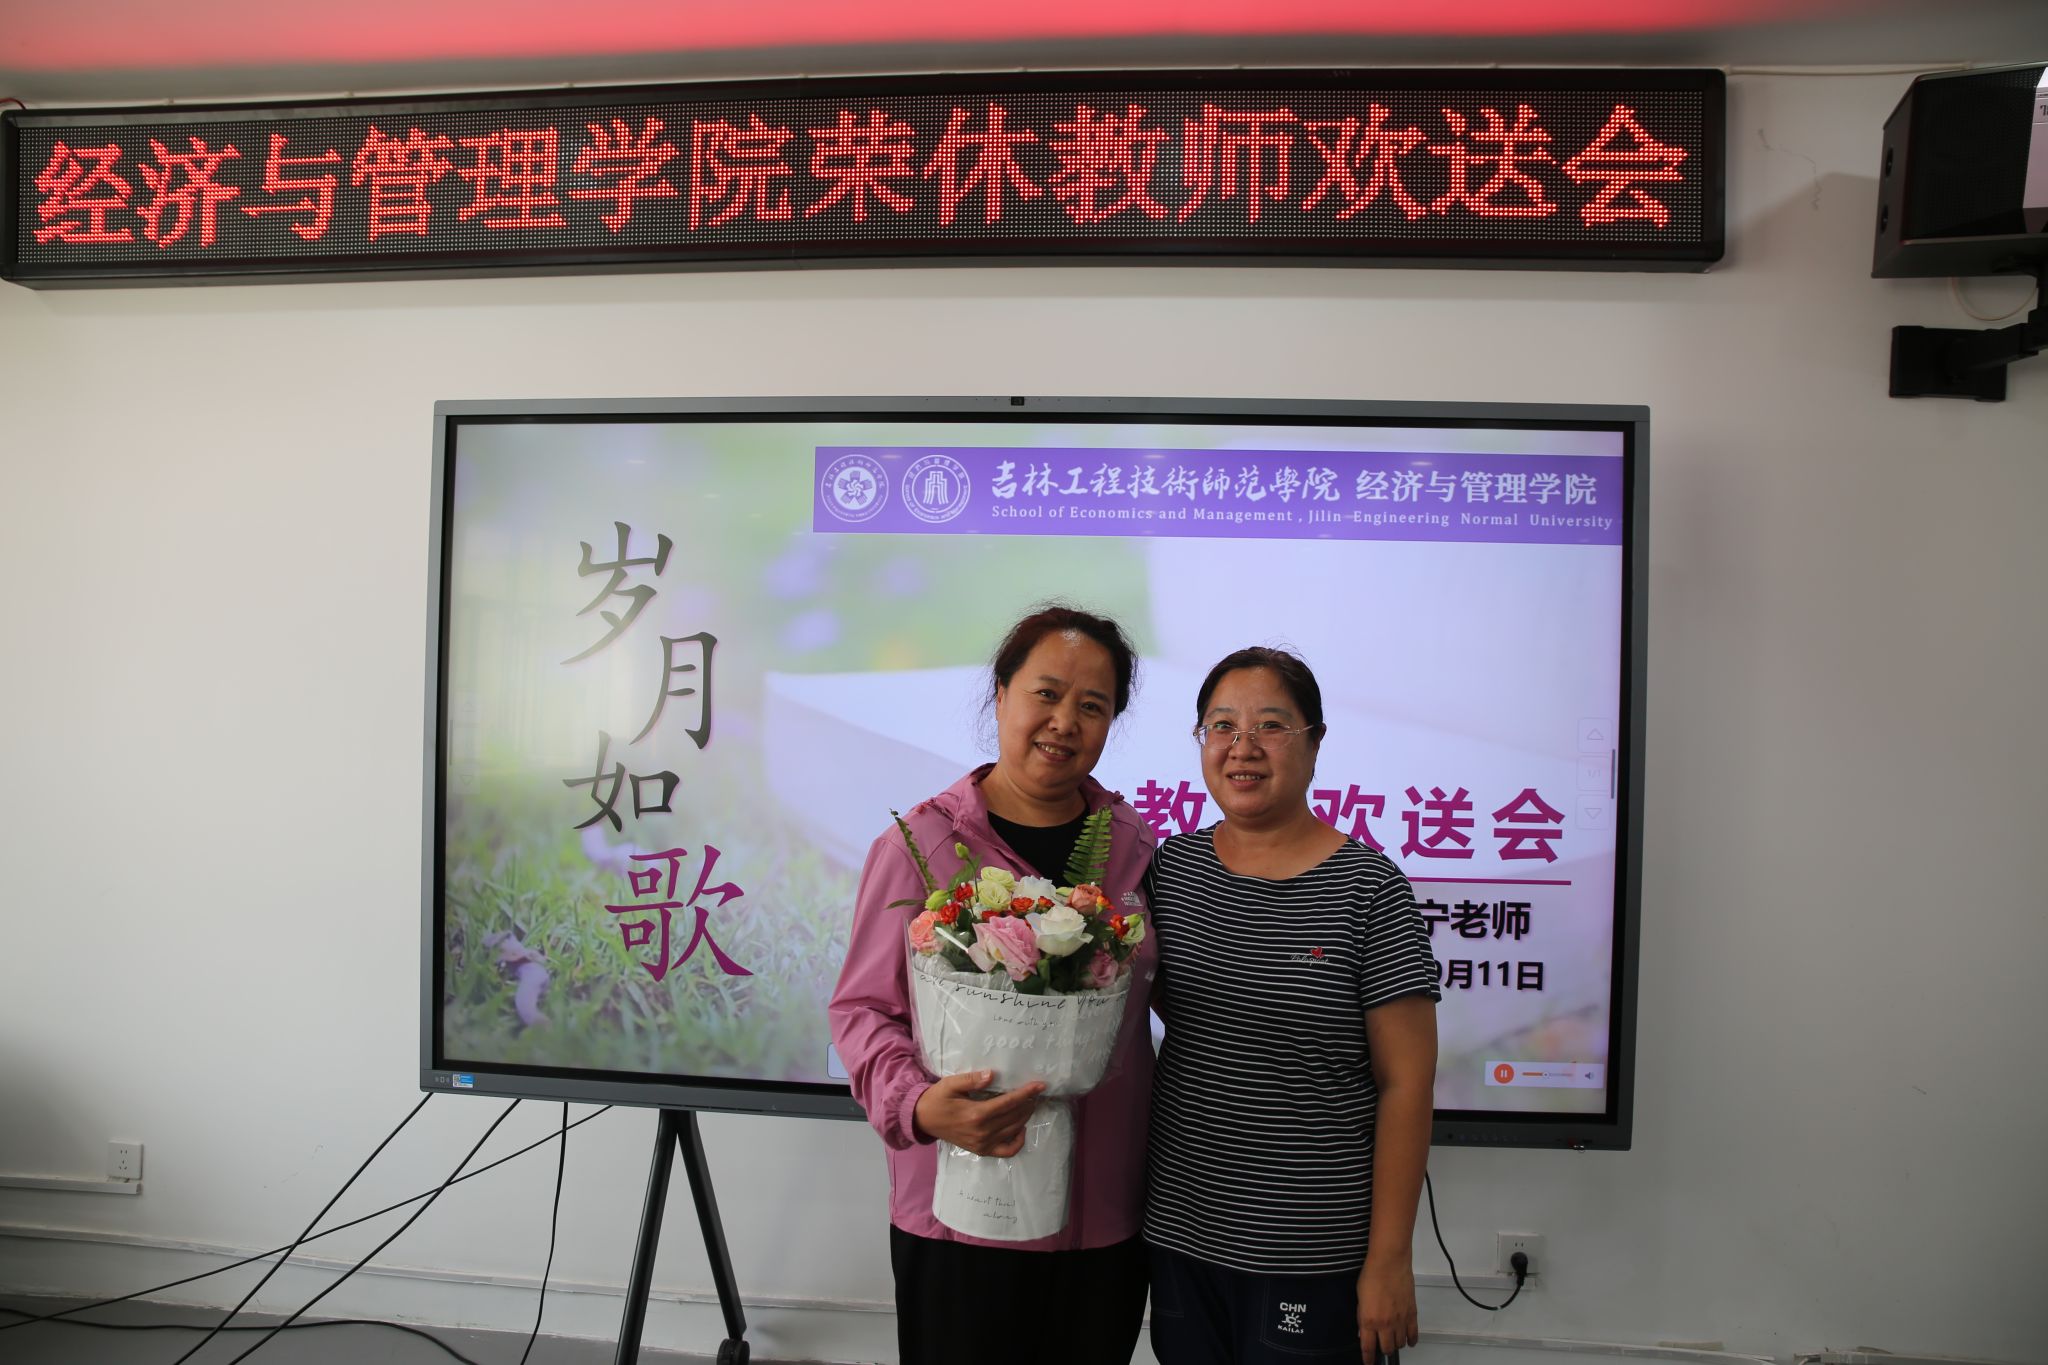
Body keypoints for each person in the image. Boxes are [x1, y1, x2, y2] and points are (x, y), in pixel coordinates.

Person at [828, 605, 1159, 1365]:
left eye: (1093, 705)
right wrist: (918, 1105)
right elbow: (863, 1009)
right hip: (961, 1211)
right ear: (1002, 693)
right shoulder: (920, 843)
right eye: (1046, 693)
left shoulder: (1133, 848)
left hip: (1100, 1216)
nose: (1065, 721)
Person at [1144, 647, 1440, 1365]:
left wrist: (1390, 1260)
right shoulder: (1169, 872)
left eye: (1271, 725)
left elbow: (1407, 1083)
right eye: (1221, 726)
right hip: (1181, 1237)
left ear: (1315, 742)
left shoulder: (1370, 889)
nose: (1242, 747)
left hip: (1313, 1250)